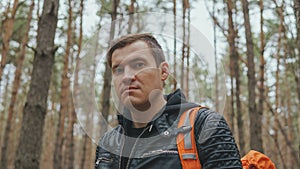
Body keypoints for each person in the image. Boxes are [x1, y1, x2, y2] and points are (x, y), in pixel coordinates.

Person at [95, 33, 242, 169]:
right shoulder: (108, 143)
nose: (127, 76)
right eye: (118, 70)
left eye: (138, 65)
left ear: (163, 72)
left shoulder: (205, 126)